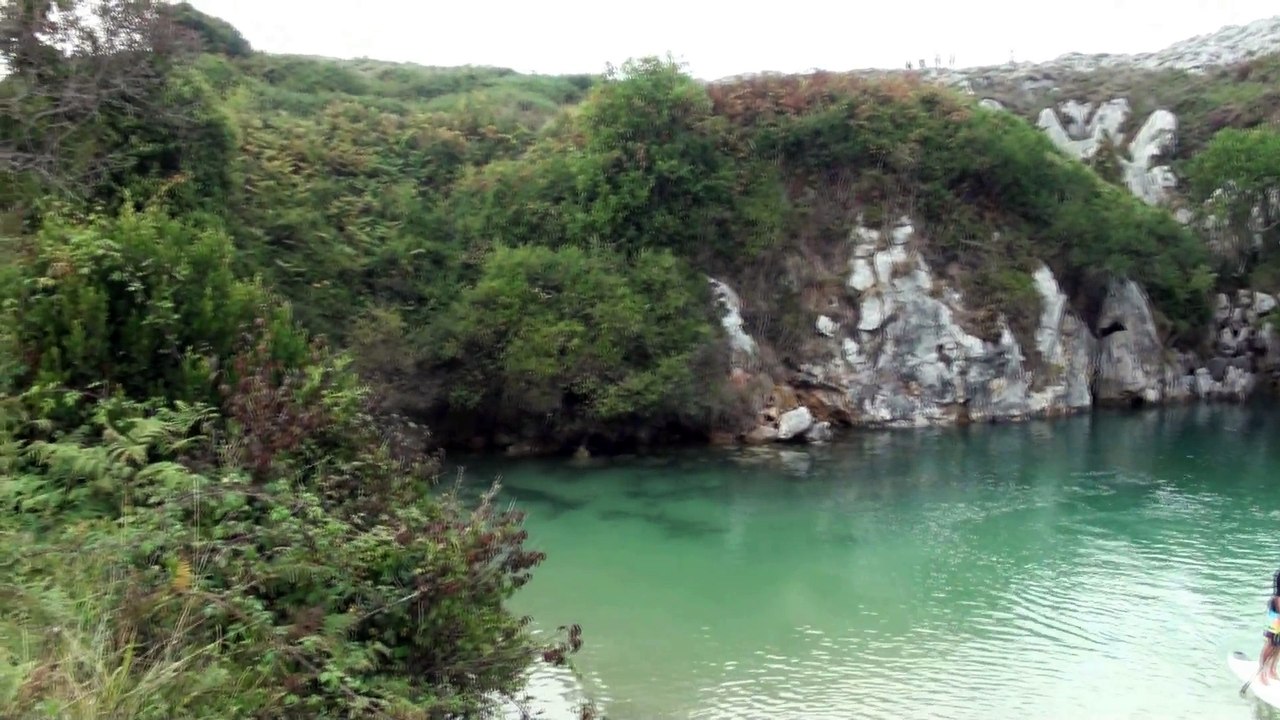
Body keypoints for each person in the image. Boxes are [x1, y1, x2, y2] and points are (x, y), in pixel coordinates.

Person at [1261, 570, 1280, 684]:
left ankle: (1272, 669)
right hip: (1275, 619)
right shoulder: (1277, 599)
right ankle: (1262, 671)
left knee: (1278, 646)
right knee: (1271, 645)